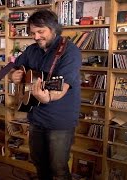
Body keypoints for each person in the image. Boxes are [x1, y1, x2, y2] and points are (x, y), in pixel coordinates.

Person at [10, 9, 81, 180]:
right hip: (35, 116)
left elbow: (61, 87)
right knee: (39, 164)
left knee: (58, 169)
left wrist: (48, 97)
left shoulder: (70, 52)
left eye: (40, 32)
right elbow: (12, 66)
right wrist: (14, 74)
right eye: (33, 33)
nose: (36, 37)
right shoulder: (31, 50)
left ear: (53, 29)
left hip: (60, 120)